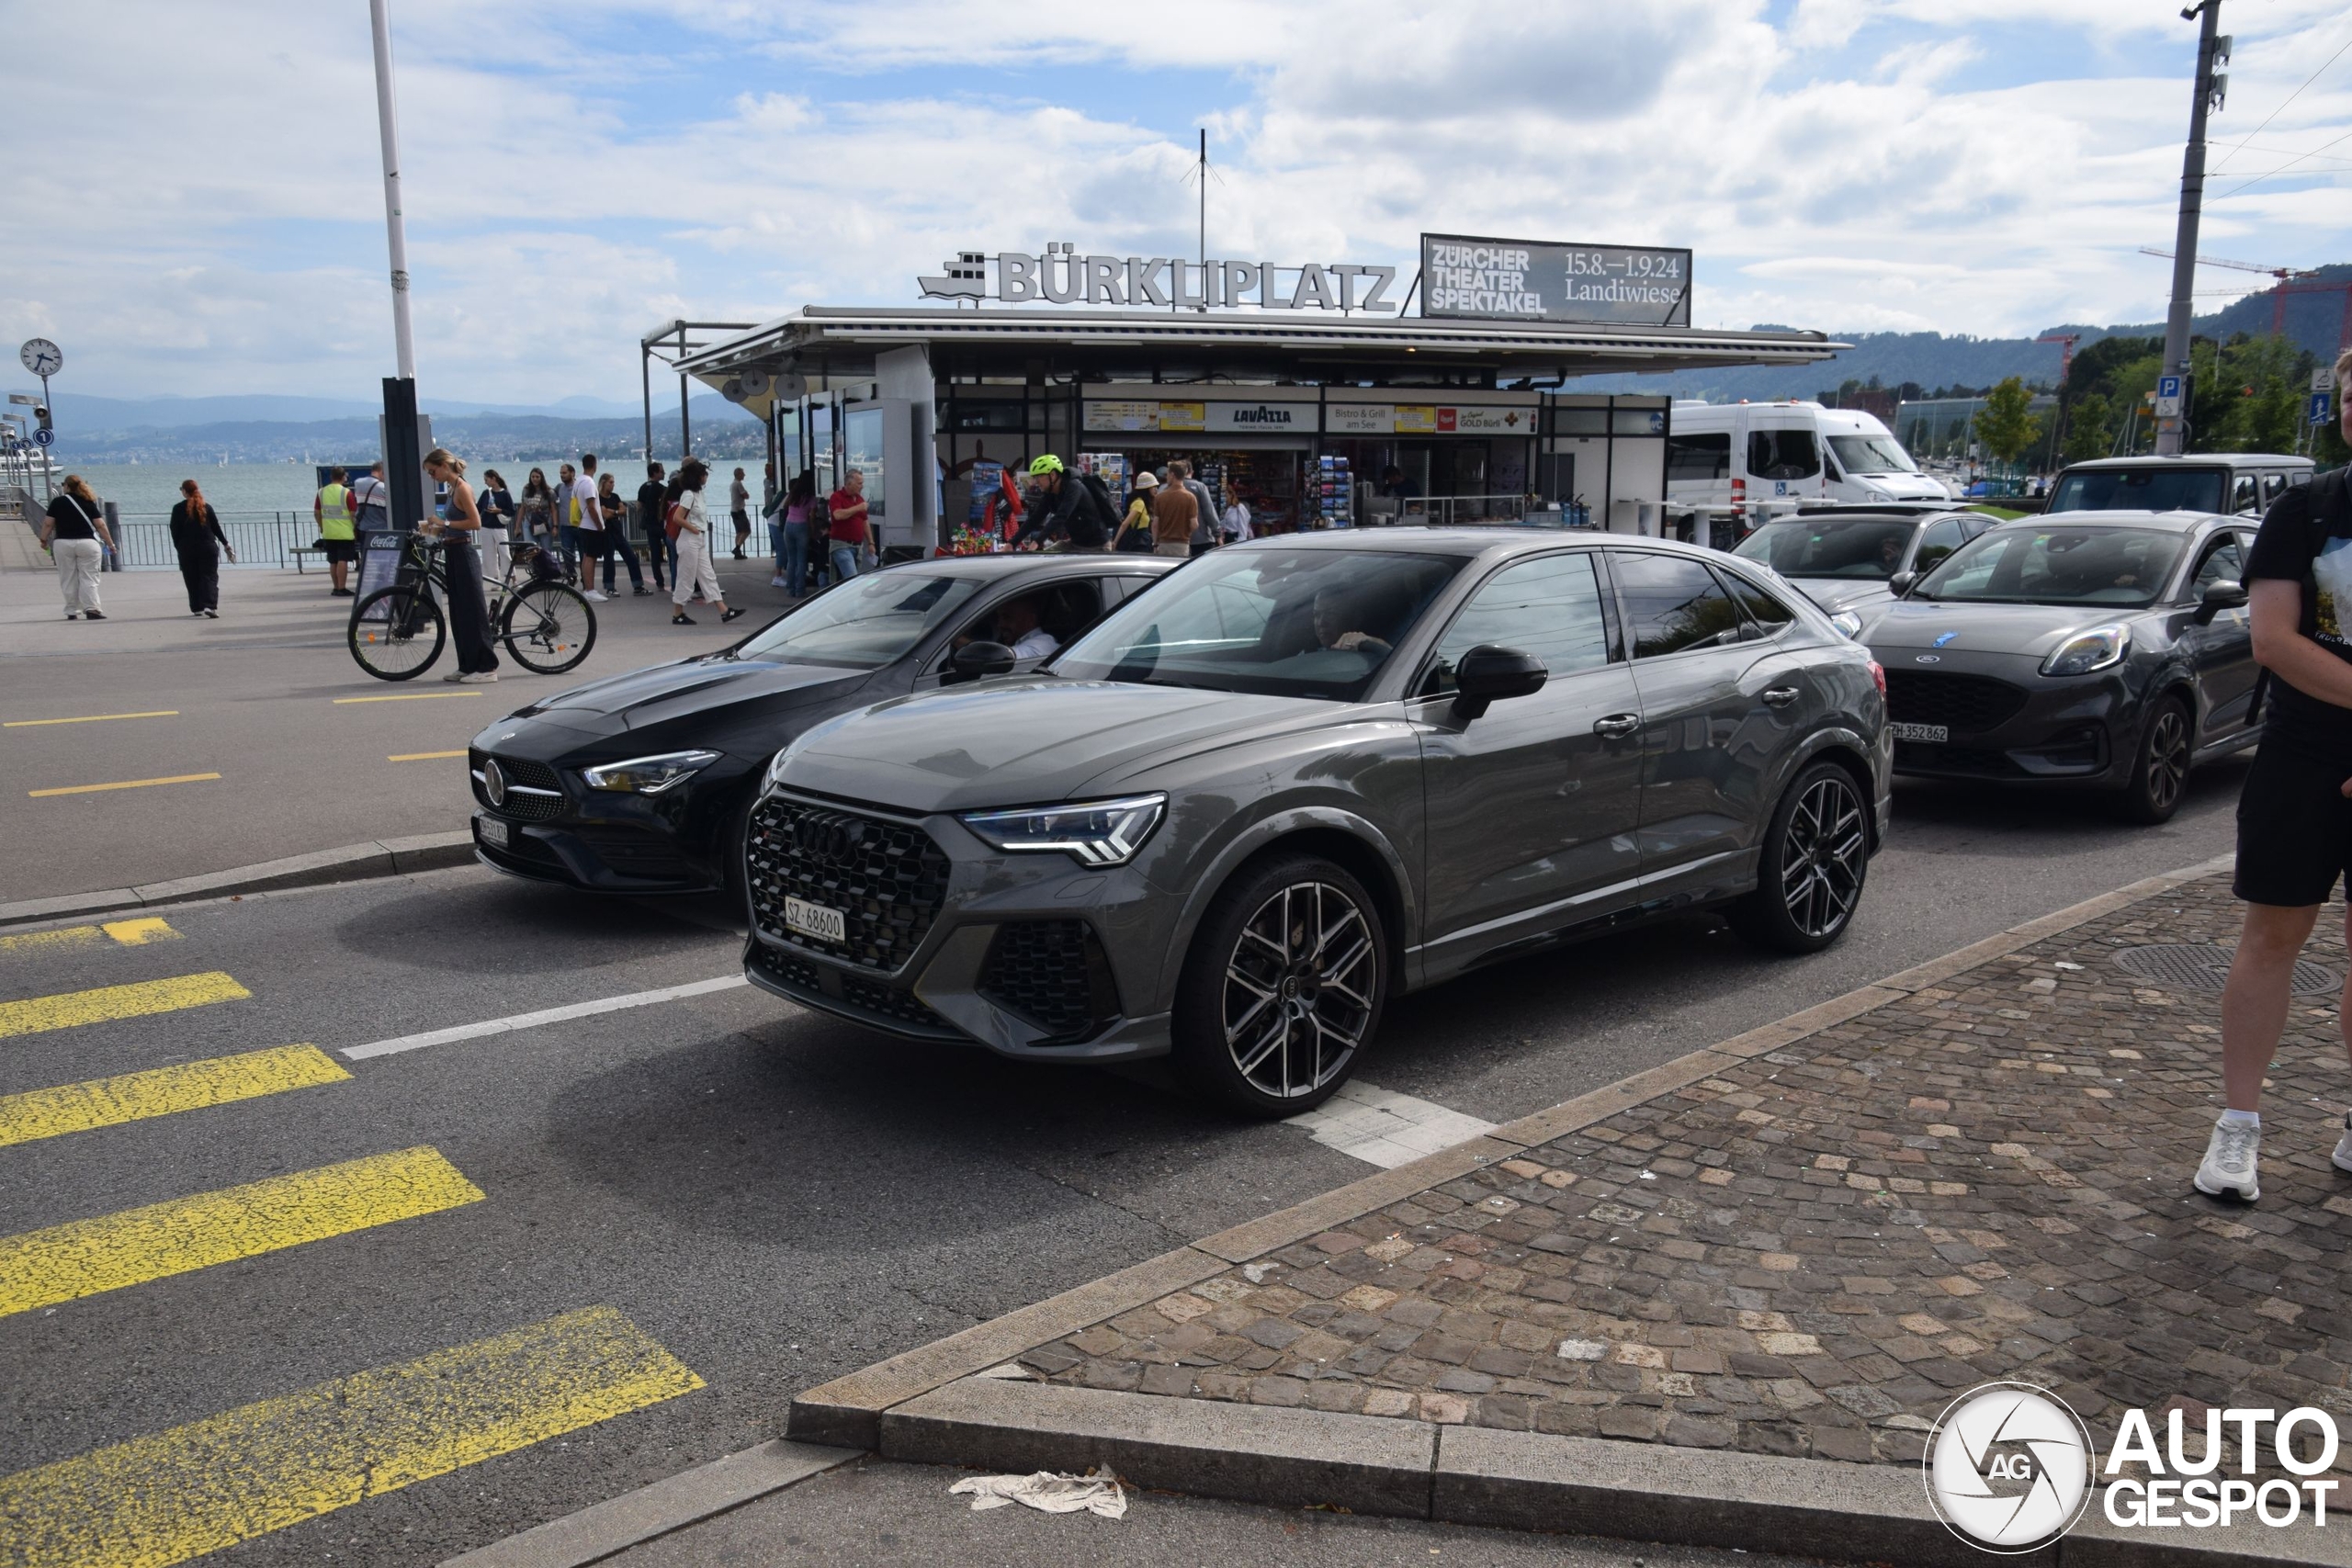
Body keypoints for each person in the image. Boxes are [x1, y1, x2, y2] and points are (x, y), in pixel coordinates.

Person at [2193, 347, 2352, 1203]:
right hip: (2306, 756)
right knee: (2273, 937)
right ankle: (2238, 1128)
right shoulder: (2309, 508)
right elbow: (2274, 641)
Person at [418, 447, 498, 682]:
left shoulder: (462, 488)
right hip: (452, 549)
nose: (432, 477)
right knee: (459, 612)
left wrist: (445, 522)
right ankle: (467, 664)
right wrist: (433, 529)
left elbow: (475, 522)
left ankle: (486, 668)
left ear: (444, 465)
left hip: (463, 551)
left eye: (433, 472)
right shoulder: (452, 489)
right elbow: (451, 524)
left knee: (473, 611)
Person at [668, 458, 745, 626]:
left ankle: (724, 610)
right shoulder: (688, 495)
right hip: (689, 539)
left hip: (698, 538)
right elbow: (677, 518)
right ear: (698, 477)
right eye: (704, 474)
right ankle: (677, 613)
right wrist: (693, 528)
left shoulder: (698, 494)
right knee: (686, 577)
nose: (706, 477)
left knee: (708, 575)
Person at [41, 474, 116, 621]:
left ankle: (72, 610)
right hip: (87, 543)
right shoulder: (88, 501)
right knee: (89, 577)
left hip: (63, 543)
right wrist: (110, 543)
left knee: (67, 577)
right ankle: (92, 609)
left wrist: (43, 539)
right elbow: (100, 525)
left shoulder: (57, 502)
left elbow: (48, 523)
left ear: (67, 486)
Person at [1010, 455, 1113, 552]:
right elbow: (1034, 519)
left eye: (1039, 476)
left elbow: (1062, 515)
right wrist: (1011, 544)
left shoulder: (1074, 487)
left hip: (1097, 546)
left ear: (1052, 475)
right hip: (1076, 543)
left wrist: (1038, 541)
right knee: (1043, 560)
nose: (1036, 481)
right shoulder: (1050, 493)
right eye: (1035, 478)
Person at [170, 478, 233, 617]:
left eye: (181, 489)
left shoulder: (178, 508)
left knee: (191, 577)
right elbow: (216, 528)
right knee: (209, 577)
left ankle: (197, 607)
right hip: (207, 547)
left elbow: (174, 530)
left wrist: (179, 546)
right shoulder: (206, 507)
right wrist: (225, 543)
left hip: (187, 548)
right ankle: (209, 606)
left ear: (185, 492)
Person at [595, 472, 647, 595]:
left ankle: (638, 586)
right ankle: (610, 587)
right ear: (604, 483)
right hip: (606, 531)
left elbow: (624, 510)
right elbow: (605, 514)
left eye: (613, 482)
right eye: (611, 482)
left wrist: (613, 511)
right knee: (609, 559)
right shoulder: (599, 498)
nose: (613, 485)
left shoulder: (615, 497)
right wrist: (615, 512)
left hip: (617, 530)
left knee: (631, 557)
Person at [315, 466, 358, 595]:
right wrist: (355, 529)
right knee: (342, 560)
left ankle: (335, 587)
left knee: (333, 560)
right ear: (343, 477)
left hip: (328, 532)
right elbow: (352, 514)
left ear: (331, 477)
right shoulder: (346, 493)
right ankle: (342, 587)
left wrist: (321, 526)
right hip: (344, 533)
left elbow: (317, 513)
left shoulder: (321, 492)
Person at [827, 468, 871, 583]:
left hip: (857, 546)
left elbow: (865, 521)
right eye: (859, 483)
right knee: (852, 578)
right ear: (849, 484)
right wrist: (858, 508)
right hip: (841, 545)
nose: (862, 486)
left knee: (848, 579)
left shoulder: (859, 499)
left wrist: (871, 542)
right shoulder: (837, 497)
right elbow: (837, 515)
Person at [778, 472, 816, 595]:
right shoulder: (810, 498)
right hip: (802, 526)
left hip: (789, 525)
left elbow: (785, 506)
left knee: (791, 559)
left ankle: (790, 589)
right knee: (801, 559)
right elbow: (811, 517)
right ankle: (800, 589)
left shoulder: (793, 494)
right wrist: (813, 530)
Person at [1172, 459, 1219, 557]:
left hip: (1176, 539)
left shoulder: (1167, 489)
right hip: (1201, 538)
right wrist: (1217, 533)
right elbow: (1209, 512)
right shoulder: (1200, 487)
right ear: (1191, 472)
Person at [1149, 464, 1199, 557]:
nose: (1167, 477)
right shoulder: (1190, 498)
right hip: (1182, 544)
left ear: (1172, 475)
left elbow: (1155, 524)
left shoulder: (1160, 497)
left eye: (1167, 474)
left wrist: (1155, 544)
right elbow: (1194, 525)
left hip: (1164, 543)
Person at [636, 463, 671, 590]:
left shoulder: (643, 487)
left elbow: (639, 507)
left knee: (655, 554)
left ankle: (659, 581)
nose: (664, 473)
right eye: (661, 472)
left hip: (650, 524)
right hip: (662, 524)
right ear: (655, 473)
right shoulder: (661, 488)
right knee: (671, 551)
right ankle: (675, 577)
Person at [997, 595, 1057, 661]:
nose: (1000, 625)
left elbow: (1004, 658)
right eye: (999, 618)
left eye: (1007, 617)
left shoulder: (1042, 645)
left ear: (1030, 619)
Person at [1115, 471, 1159, 553]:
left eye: (1156, 487)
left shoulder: (1145, 503)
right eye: (1153, 487)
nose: (1156, 490)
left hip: (1142, 541)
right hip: (1139, 543)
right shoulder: (1139, 503)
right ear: (1147, 488)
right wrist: (1115, 542)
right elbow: (1125, 524)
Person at [518, 468, 557, 555]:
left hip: (545, 522)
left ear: (541, 478)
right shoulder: (526, 490)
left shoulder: (549, 492)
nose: (535, 479)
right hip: (529, 521)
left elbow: (554, 509)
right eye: (533, 477)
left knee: (546, 549)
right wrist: (517, 526)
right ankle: (535, 567)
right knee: (530, 549)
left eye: (537, 477)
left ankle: (546, 567)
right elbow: (522, 508)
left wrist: (555, 526)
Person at [729, 467, 752, 559]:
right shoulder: (739, 484)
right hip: (739, 511)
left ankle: (737, 553)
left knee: (739, 532)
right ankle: (737, 548)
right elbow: (746, 496)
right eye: (742, 473)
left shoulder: (732, 484)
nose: (744, 475)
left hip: (734, 510)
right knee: (747, 530)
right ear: (738, 474)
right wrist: (746, 494)